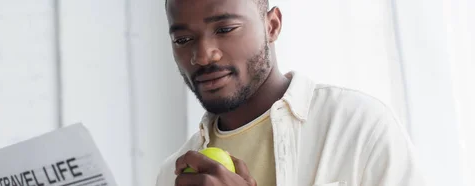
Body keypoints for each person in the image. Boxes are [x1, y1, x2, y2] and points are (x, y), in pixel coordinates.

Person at [155, 0, 424, 185]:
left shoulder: (358, 126)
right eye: (183, 40)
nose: (202, 55)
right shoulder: (172, 175)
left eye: (225, 29)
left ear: (271, 26)